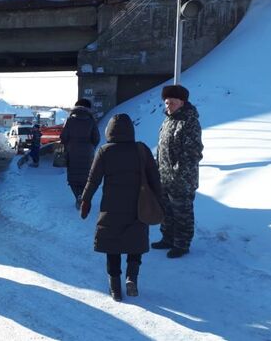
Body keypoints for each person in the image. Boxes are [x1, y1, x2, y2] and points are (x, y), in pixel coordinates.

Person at [79, 113, 162, 302]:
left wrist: (86, 200)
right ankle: (132, 277)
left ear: (109, 131)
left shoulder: (104, 151)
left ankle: (115, 287)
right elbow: (154, 178)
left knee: (113, 245)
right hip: (137, 206)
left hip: (111, 206)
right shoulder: (141, 150)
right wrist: (160, 199)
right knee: (135, 243)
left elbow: (93, 180)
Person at [151, 84, 203, 259]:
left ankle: (182, 244)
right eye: (166, 103)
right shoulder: (168, 120)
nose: (168, 106)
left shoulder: (189, 121)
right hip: (165, 177)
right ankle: (168, 238)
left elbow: (193, 152)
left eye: (172, 103)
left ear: (182, 102)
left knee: (182, 213)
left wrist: (178, 173)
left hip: (182, 179)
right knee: (166, 211)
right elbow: (162, 149)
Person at [60, 98, 100, 209]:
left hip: (72, 153)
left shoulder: (69, 120)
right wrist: (91, 147)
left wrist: (68, 144)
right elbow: (96, 138)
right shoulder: (91, 121)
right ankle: (83, 196)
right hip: (87, 154)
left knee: (73, 177)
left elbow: (63, 137)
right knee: (86, 177)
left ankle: (77, 195)